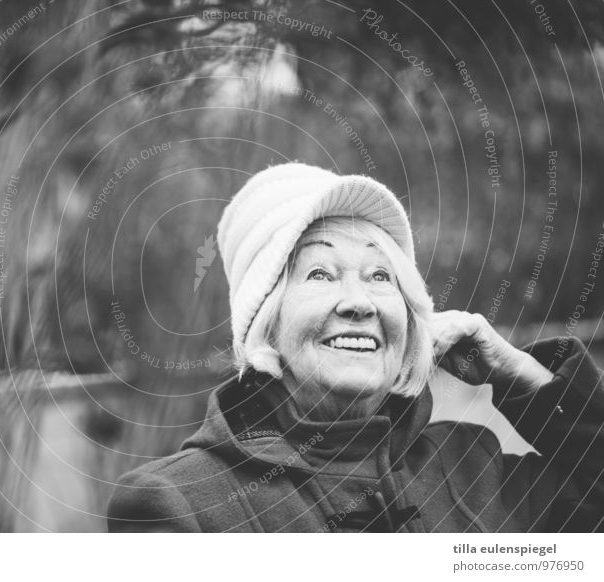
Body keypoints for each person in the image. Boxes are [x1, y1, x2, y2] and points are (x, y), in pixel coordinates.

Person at [107, 162, 604, 532]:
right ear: (266, 322)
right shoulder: (179, 504)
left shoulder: (473, 465)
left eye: (380, 276)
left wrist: (525, 378)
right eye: (320, 273)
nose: (358, 302)